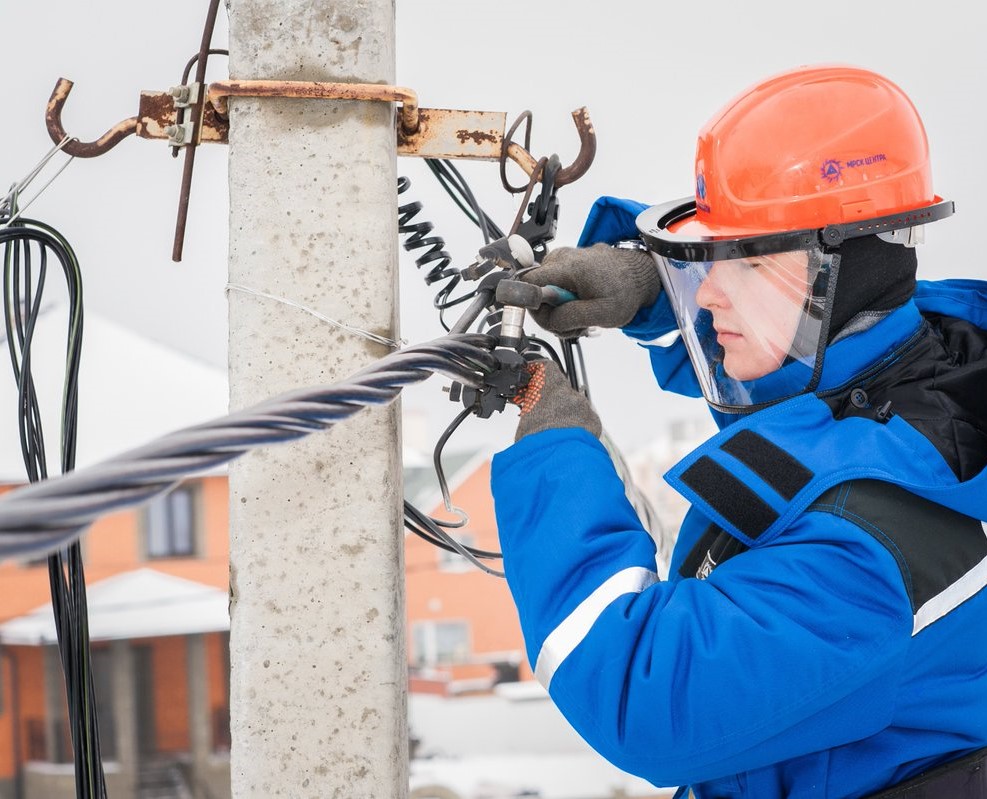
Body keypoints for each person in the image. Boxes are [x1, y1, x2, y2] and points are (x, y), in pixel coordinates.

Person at [490, 64, 987, 799]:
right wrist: (659, 288)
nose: (712, 293)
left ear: (840, 274)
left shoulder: (883, 543)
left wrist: (554, 448)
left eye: (744, 263)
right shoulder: (933, 367)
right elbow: (809, 385)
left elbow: (644, 692)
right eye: (705, 263)